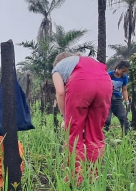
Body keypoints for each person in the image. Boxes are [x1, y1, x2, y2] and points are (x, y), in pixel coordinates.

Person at [51, 52, 112, 182]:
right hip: (105, 83)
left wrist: (65, 117)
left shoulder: (58, 68)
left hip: (81, 83)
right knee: (95, 134)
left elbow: (61, 93)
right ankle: (93, 175)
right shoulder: (88, 61)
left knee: (74, 133)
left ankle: (75, 177)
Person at [104, 60, 130, 133]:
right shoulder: (108, 75)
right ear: (118, 68)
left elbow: (124, 90)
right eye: (123, 71)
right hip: (107, 99)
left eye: (125, 71)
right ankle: (103, 136)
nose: (124, 73)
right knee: (106, 120)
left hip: (117, 99)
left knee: (123, 117)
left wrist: (127, 102)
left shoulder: (124, 77)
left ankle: (126, 136)